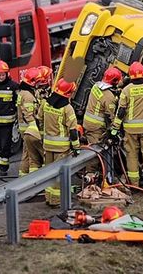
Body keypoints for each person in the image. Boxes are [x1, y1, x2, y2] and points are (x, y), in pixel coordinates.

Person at [111, 61, 143, 188]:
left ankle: (134, 184)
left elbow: (121, 111)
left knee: (131, 156)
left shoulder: (127, 90)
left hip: (130, 130)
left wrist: (115, 129)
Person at [38, 78, 79, 207]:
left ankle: (48, 198)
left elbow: (39, 118)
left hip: (47, 145)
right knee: (58, 175)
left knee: (48, 173)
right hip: (61, 148)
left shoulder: (45, 104)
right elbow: (73, 131)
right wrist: (76, 147)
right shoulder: (67, 108)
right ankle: (56, 201)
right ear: (67, 93)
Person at [83, 66, 122, 172]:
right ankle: (90, 175)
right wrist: (115, 128)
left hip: (88, 122)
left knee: (92, 147)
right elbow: (111, 115)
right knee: (95, 152)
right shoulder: (109, 97)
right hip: (96, 126)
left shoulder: (96, 86)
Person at [0, 60, 19, 176]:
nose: (1, 77)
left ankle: (3, 167)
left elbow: (19, 102)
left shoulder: (13, 86)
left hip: (8, 123)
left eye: (3, 75)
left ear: (7, 74)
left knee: (5, 145)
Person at [17, 67, 45, 175]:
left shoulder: (24, 92)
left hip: (25, 128)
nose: (39, 83)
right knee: (31, 154)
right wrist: (35, 129)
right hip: (29, 129)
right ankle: (28, 177)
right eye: (37, 81)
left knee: (27, 153)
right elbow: (28, 115)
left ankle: (23, 176)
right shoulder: (28, 96)